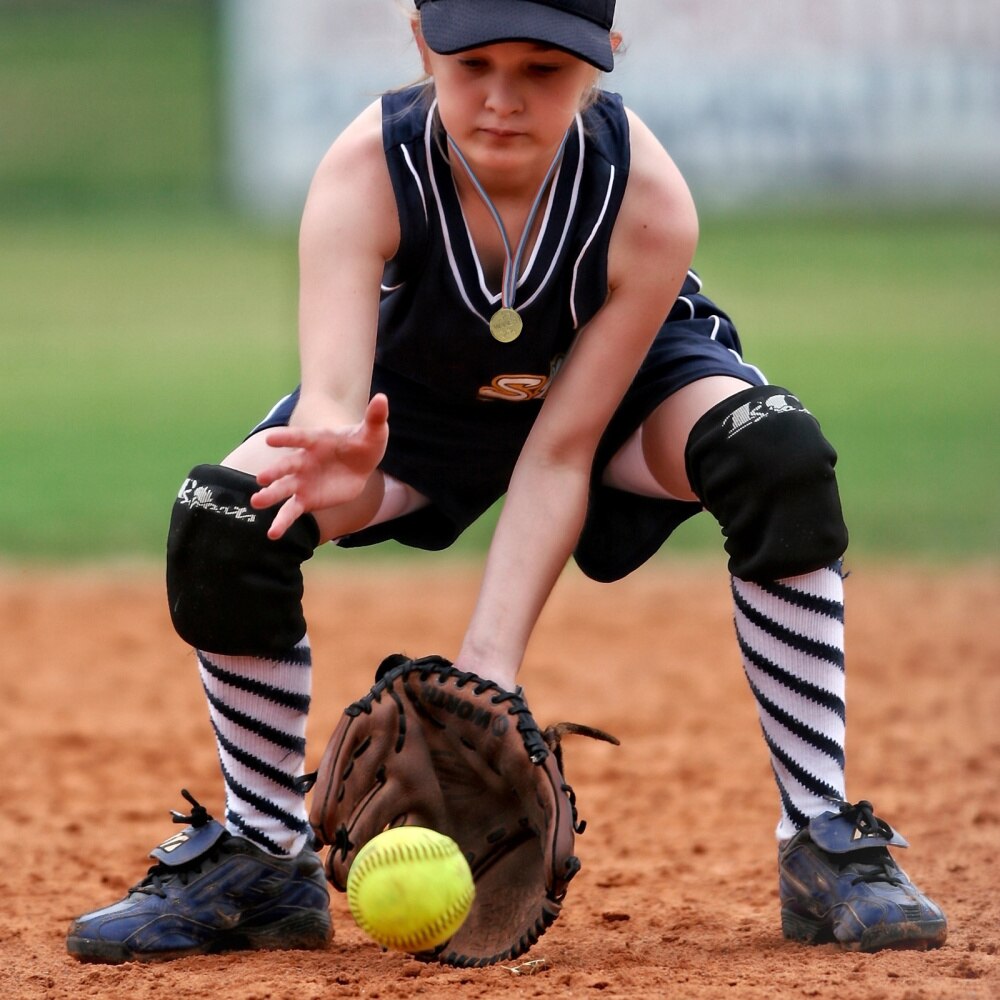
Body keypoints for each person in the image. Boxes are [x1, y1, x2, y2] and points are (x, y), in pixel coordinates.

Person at [67, 0, 947, 963]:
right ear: (420, 44)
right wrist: (344, 463)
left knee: (773, 448)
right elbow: (331, 403)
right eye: (473, 61)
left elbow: (562, 448)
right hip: (417, 402)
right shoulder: (369, 171)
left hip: (612, 405)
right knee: (230, 511)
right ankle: (263, 858)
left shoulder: (645, 197)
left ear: (606, 57)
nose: (501, 98)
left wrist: (488, 664)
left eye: (544, 68)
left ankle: (823, 842)